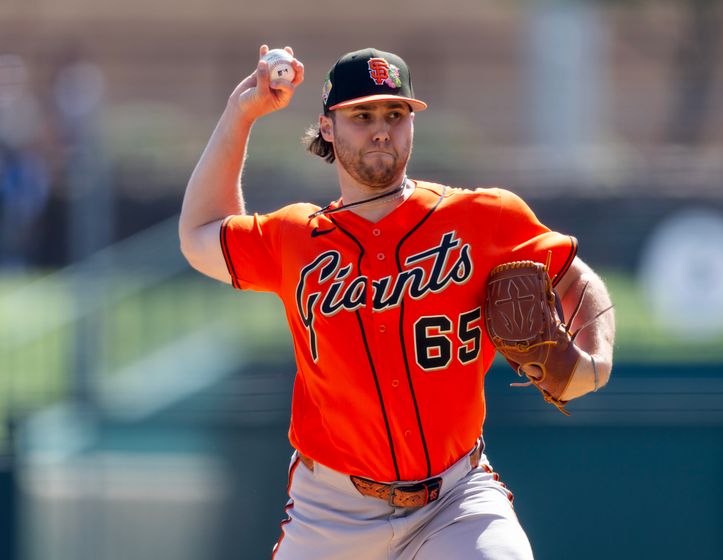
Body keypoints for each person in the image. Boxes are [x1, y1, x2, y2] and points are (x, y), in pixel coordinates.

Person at [179, 44, 615, 560]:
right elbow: (200, 233)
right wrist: (241, 114)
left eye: (395, 113)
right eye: (361, 115)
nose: (381, 128)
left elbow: (577, 279)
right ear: (327, 127)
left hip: (454, 498)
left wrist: (597, 359)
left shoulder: (482, 217)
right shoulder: (296, 237)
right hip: (331, 510)